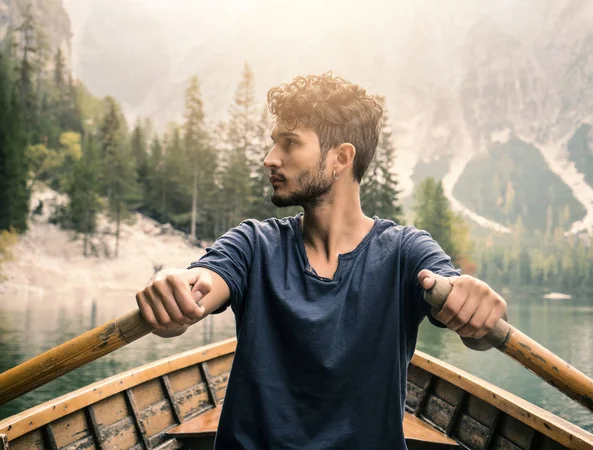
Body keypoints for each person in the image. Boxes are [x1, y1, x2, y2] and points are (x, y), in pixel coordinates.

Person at [135, 73, 508, 450]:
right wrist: (174, 291)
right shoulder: (253, 244)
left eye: (290, 143)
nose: (270, 159)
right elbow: (200, 287)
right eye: (273, 144)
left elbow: (479, 329)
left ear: (341, 158)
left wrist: (479, 311)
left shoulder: (406, 252)